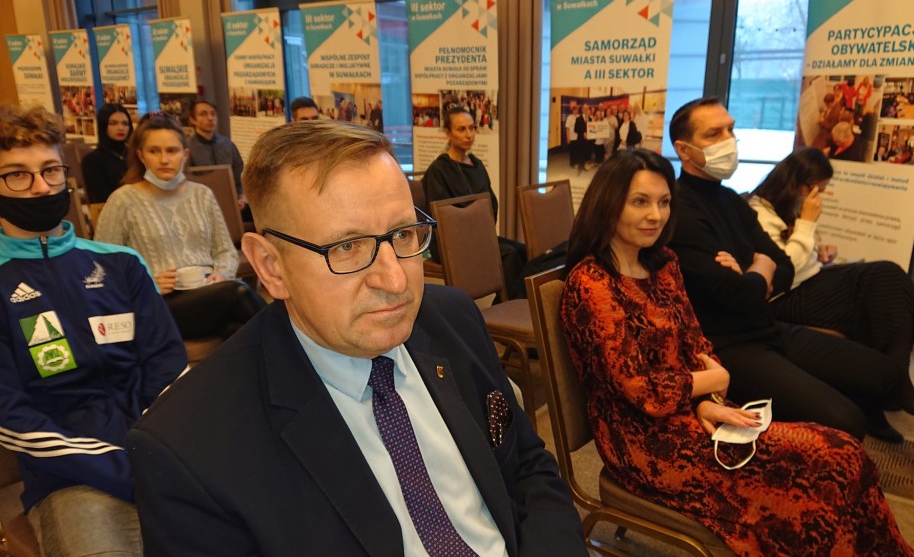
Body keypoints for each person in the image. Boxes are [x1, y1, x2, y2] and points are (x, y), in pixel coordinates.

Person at [125, 120, 587, 555]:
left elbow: (528, 466)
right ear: (271, 266)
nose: (396, 280)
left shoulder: (452, 318)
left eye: (403, 234)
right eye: (346, 247)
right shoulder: (188, 449)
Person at [559, 147, 914, 555]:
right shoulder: (592, 283)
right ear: (608, 205)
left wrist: (707, 400)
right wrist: (714, 381)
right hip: (642, 443)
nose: (655, 215)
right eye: (640, 202)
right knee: (822, 473)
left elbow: (696, 343)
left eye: (664, 202)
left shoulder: (663, 264)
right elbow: (640, 388)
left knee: (844, 454)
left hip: (691, 415)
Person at [0, 104, 187, 556]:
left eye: (50, 170)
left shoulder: (121, 263)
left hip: (159, 452)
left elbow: (167, 365)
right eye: (17, 175)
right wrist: (118, 468)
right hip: (69, 476)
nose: (41, 186)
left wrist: (154, 452)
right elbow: (10, 415)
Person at [668, 96, 905, 442]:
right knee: (847, 422)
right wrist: (758, 267)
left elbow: (783, 267)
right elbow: (739, 295)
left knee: (885, 375)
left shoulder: (731, 199)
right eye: (714, 134)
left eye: (731, 130)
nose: (729, 140)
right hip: (728, 347)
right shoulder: (680, 211)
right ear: (684, 150)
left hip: (768, 327)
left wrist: (752, 271)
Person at [748, 147, 914, 419]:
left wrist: (819, 254)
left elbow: (799, 254)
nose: (819, 196)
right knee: (880, 283)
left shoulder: (787, 206)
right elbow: (783, 270)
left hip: (810, 280)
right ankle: (894, 384)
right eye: (818, 190)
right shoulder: (758, 213)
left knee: (885, 278)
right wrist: (807, 224)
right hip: (784, 298)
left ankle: (894, 379)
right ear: (799, 185)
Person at [94, 113, 264, 340]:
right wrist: (147, 283)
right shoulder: (123, 200)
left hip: (210, 293)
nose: (164, 159)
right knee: (238, 293)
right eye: (154, 151)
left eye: (172, 151)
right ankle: (297, 349)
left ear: (185, 155)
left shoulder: (202, 195)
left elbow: (225, 251)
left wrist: (222, 275)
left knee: (238, 331)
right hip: (158, 302)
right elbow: (100, 268)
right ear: (141, 156)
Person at [423, 106, 528, 297]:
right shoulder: (439, 170)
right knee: (509, 255)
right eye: (461, 129)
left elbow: (491, 203)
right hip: (453, 243)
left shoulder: (477, 164)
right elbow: (441, 218)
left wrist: (483, 230)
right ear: (448, 133)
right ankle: (505, 306)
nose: (469, 134)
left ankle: (511, 304)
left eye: (471, 128)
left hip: (480, 235)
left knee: (522, 250)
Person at [185, 100, 250, 221]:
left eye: (213, 114)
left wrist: (242, 196)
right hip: (200, 209)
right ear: (193, 120)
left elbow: (239, 174)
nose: (210, 118)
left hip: (230, 205)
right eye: (203, 114)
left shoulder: (228, 145)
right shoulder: (187, 148)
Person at [81, 103, 133, 203]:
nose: (120, 128)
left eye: (125, 123)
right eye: (113, 123)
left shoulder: (137, 155)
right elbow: (99, 198)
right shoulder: (92, 160)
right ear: (103, 126)